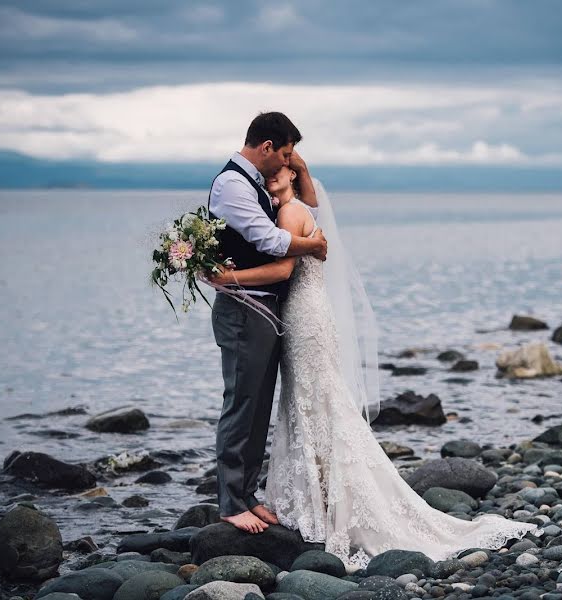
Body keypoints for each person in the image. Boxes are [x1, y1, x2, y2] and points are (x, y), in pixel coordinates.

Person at [208, 166, 541, 569]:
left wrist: (226, 278)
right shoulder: (294, 210)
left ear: (293, 176)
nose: (270, 179)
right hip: (301, 316)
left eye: (279, 172)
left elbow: (282, 270)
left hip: (303, 319)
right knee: (311, 404)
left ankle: (327, 502)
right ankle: (321, 497)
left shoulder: (290, 213)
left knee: (316, 404)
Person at [207, 112, 327, 535]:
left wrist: (301, 170)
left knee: (258, 407)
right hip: (243, 308)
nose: (287, 163)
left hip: (262, 309)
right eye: (286, 154)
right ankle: (229, 502)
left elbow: (302, 207)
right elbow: (269, 241)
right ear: (266, 148)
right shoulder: (233, 184)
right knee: (241, 404)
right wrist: (313, 244)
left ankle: (246, 494)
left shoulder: (258, 182)